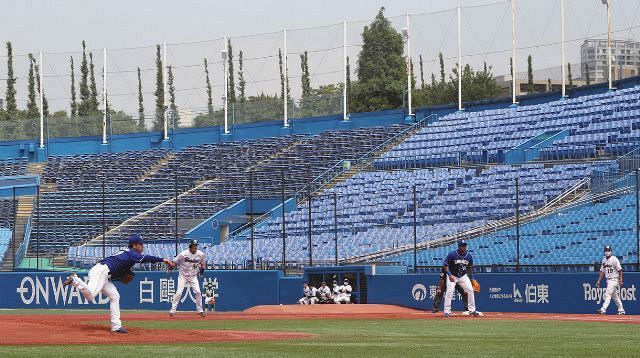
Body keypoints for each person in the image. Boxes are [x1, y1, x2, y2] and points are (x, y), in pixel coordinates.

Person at [63, 234, 176, 333]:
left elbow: (119, 272)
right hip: (101, 271)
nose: (142, 246)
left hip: (103, 273)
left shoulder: (127, 253)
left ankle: (116, 326)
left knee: (115, 296)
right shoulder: (132, 253)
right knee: (90, 295)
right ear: (134, 245)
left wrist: (124, 274)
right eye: (140, 244)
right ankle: (75, 281)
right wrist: (163, 259)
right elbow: (146, 258)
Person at [170, 240, 207, 318]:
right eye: (194, 246)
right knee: (179, 292)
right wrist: (170, 268)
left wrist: (202, 271)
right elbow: (175, 262)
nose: (195, 247)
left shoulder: (200, 254)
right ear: (190, 247)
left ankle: (200, 310)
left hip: (193, 276)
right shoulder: (183, 254)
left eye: (196, 246)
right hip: (183, 276)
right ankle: (172, 311)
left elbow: (203, 263)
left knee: (198, 292)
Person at [443, 240, 480, 317]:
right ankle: (447, 311)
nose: (464, 247)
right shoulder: (452, 254)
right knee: (449, 291)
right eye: (462, 245)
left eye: (465, 245)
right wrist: (449, 275)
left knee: (470, 290)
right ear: (459, 246)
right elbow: (445, 266)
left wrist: (472, 278)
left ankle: (472, 310)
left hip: (463, 276)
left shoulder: (469, 256)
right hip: (452, 275)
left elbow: (470, 268)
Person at [596, 245, 625, 315]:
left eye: (608, 250)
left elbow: (620, 270)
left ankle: (603, 310)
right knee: (615, 296)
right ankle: (621, 310)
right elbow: (602, 271)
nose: (607, 252)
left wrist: (621, 280)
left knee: (607, 294)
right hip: (608, 280)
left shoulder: (614, 259)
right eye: (606, 250)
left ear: (611, 251)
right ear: (604, 252)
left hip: (614, 279)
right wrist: (598, 281)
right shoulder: (603, 260)